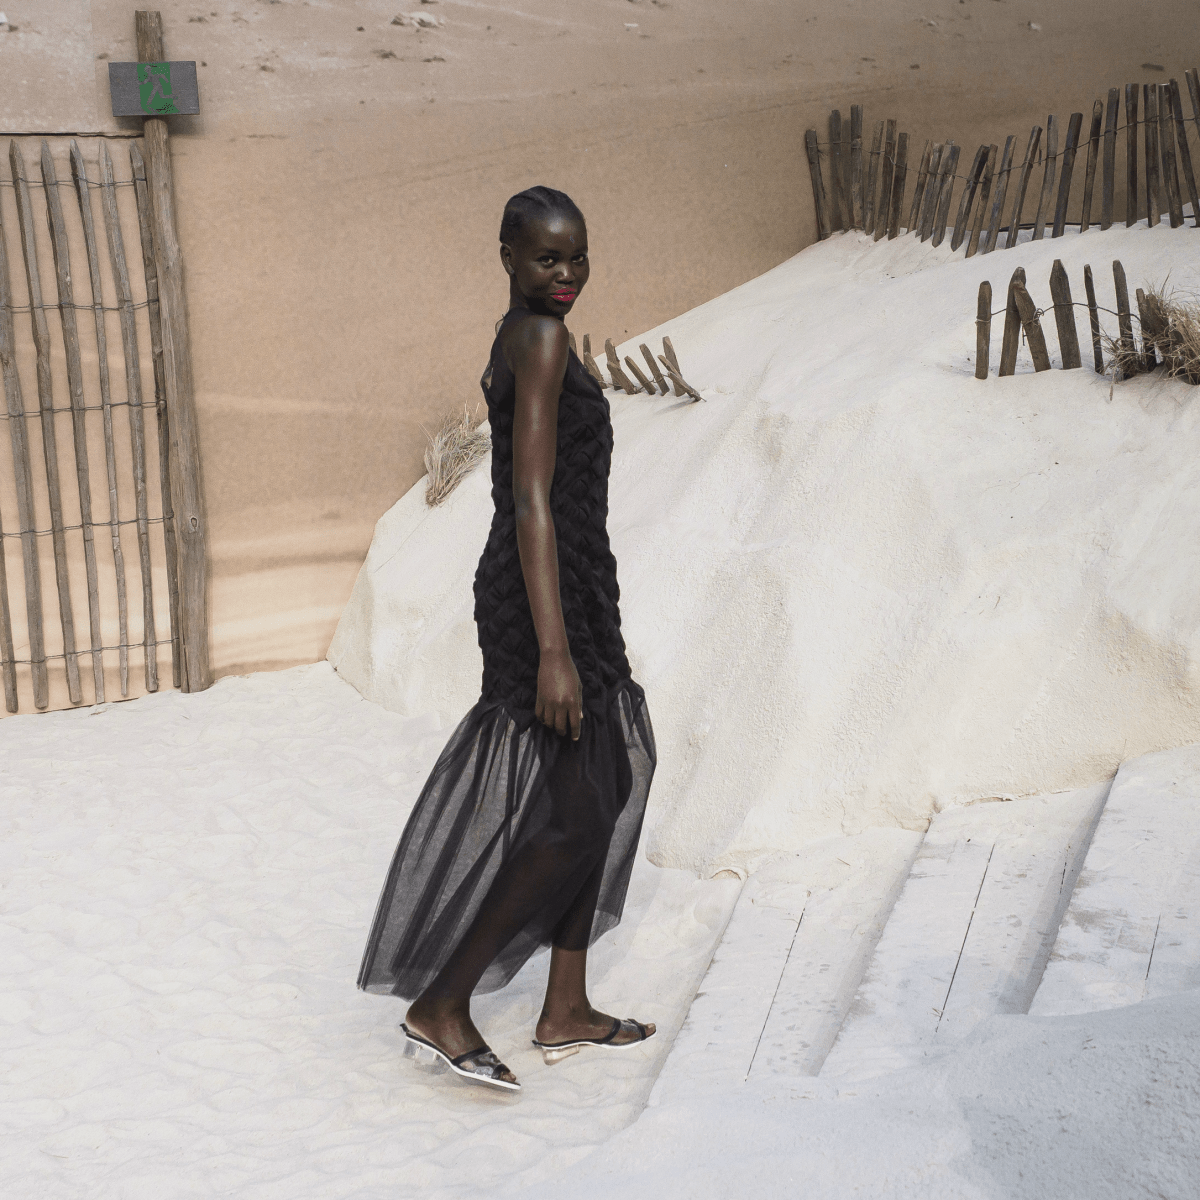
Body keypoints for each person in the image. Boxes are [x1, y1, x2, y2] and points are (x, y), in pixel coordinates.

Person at [357, 186, 657, 1092]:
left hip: (574, 585)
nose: (565, 276)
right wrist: (556, 649)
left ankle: (566, 1007)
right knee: (571, 814)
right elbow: (527, 497)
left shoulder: (527, 332)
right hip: (543, 598)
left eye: (578, 256)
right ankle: (442, 1004)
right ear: (508, 258)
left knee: (604, 784)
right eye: (546, 260)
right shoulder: (538, 338)